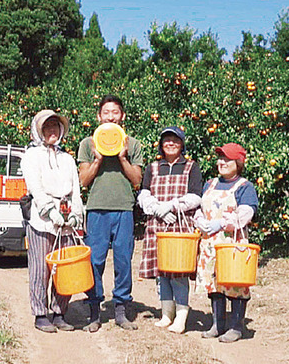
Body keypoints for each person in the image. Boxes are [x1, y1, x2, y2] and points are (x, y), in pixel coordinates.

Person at [77, 95, 143, 332]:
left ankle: (121, 310)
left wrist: (122, 157)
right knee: (94, 261)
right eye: (106, 112)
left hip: (124, 209)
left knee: (124, 260)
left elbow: (137, 180)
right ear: (99, 116)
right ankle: (94, 311)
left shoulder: (132, 144)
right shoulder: (88, 143)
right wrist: (98, 160)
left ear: (122, 116)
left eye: (115, 112)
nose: (111, 116)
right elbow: (84, 181)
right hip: (96, 210)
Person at [21, 109, 84, 333]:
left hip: (66, 219)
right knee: (40, 268)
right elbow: (35, 187)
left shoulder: (67, 159)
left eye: (55, 127)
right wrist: (49, 211)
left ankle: (60, 312)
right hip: (42, 219)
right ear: (39, 131)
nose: (52, 132)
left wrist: (76, 213)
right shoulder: (31, 156)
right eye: (47, 128)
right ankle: (40, 313)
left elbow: (75, 189)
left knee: (64, 267)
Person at [137, 126, 202, 333]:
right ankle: (166, 314)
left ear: (182, 144)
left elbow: (195, 196)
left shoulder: (191, 167)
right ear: (161, 144)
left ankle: (181, 316)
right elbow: (143, 195)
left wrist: (173, 205)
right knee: (161, 272)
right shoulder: (153, 167)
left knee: (178, 272)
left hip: (180, 225)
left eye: (175, 140)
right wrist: (158, 209)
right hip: (157, 224)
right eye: (166, 140)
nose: (170, 143)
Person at [194, 143, 258, 343]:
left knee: (234, 283)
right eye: (220, 158)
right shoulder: (210, 184)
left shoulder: (245, 187)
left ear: (238, 163)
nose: (222, 162)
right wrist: (200, 220)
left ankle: (236, 326)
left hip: (232, 243)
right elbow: (200, 207)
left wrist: (222, 223)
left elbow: (246, 213)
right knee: (214, 284)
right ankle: (217, 323)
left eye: (227, 159)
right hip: (210, 243)